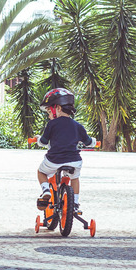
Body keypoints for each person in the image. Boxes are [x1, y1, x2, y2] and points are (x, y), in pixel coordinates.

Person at [35, 88, 95, 216]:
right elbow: (88, 142)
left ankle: (46, 191)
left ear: (57, 108)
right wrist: (95, 142)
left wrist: (38, 140)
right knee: (75, 178)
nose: (49, 115)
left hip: (54, 160)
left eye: (48, 111)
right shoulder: (78, 126)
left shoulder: (52, 125)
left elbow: (44, 142)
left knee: (41, 172)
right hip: (74, 160)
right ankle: (75, 204)